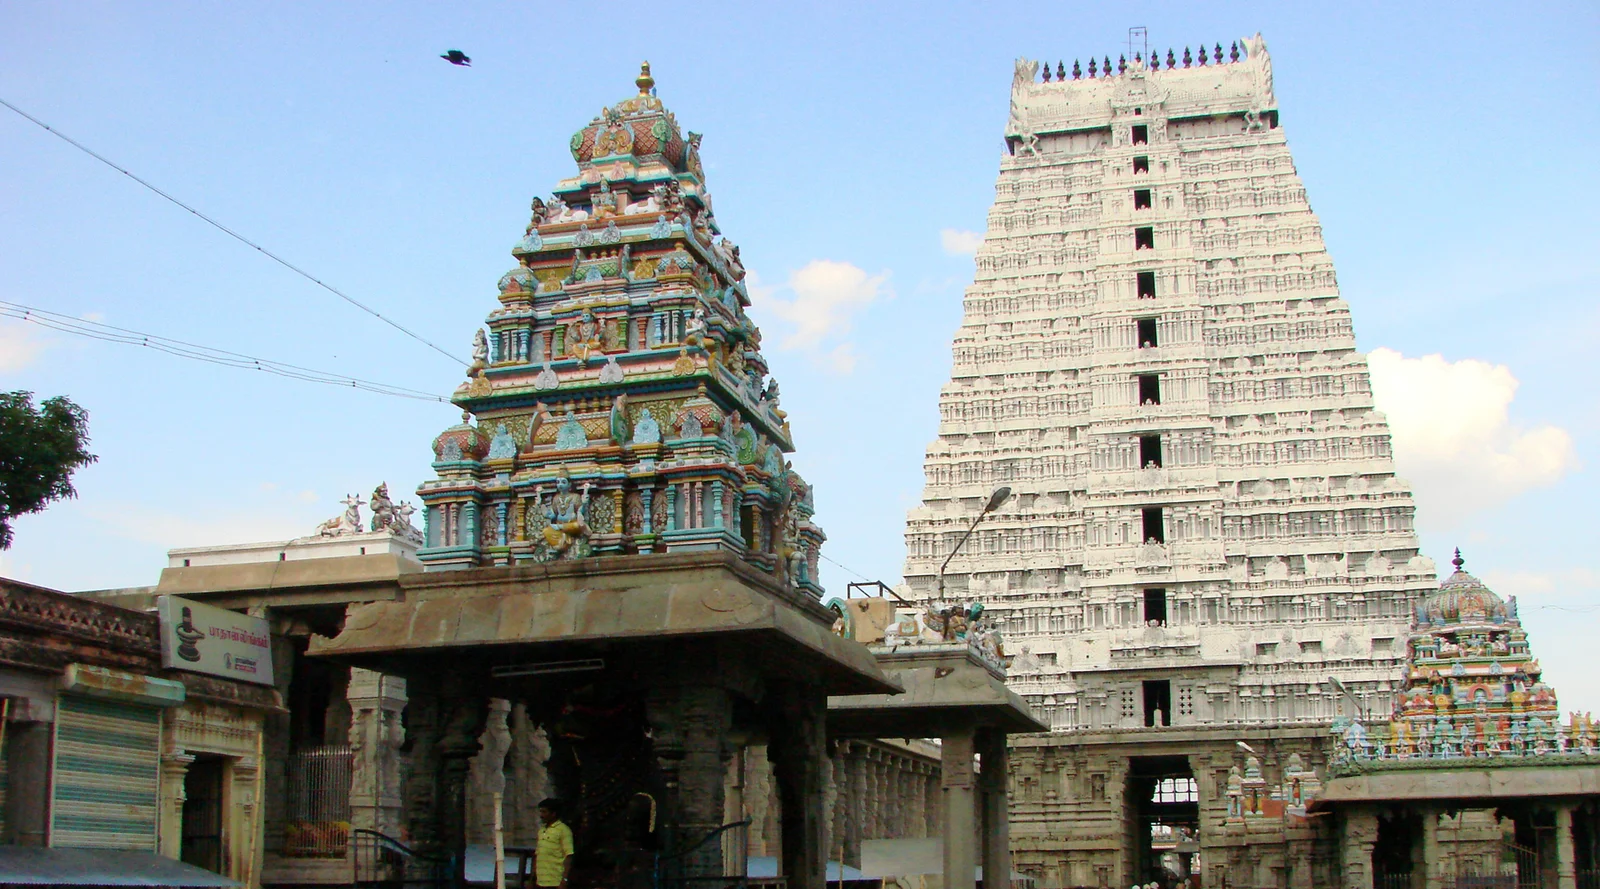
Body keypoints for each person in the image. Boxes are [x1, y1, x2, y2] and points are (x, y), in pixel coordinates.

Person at [535, 798, 575, 889]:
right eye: (540, 812)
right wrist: (532, 879)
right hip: (540, 882)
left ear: (553, 814)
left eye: (544, 812)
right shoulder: (542, 830)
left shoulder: (563, 830)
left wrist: (564, 880)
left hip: (555, 882)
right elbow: (538, 855)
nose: (541, 815)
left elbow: (569, 855)